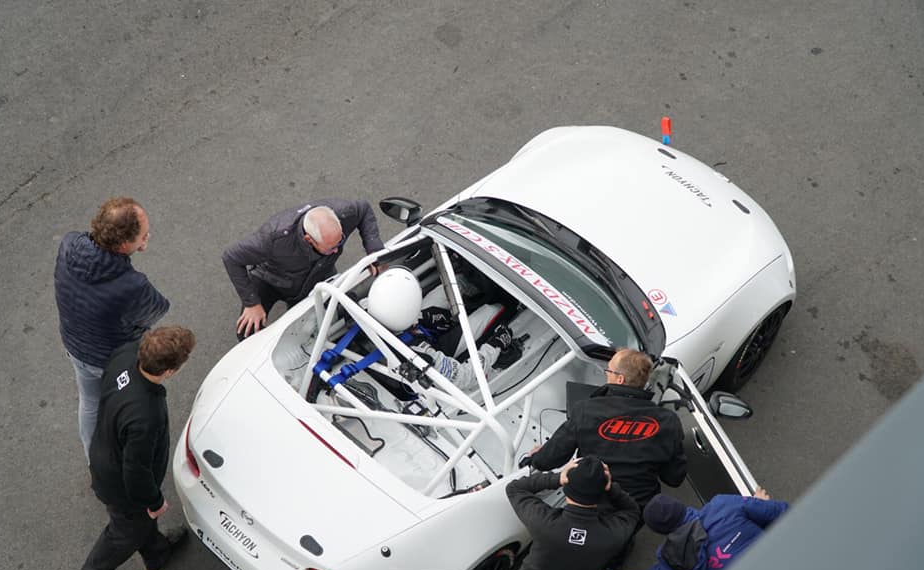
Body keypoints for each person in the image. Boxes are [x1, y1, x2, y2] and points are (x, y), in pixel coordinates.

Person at [78, 326, 196, 570]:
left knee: (142, 524)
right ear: (169, 371)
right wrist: (155, 502)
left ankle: (156, 555)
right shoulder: (146, 415)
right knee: (125, 532)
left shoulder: (126, 355)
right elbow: (135, 472)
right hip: (120, 486)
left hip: (104, 451)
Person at [54, 197, 170, 461]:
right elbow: (157, 310)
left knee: (90, 402)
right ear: (125, 244)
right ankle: (117, 463)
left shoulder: (69, 244)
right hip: (111, 359)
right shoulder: (132, 286)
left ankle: (93, 458)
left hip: (74, 346)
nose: (147, 237)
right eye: (143, 235)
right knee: (126, 409)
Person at [485, 456, 640, 570]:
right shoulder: (611, 536)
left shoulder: (544, 523)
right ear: (601, 494)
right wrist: (610, 487)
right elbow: (632, 511)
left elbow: (514, 488)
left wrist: (556, 478)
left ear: (566, 487)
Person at [530, 348, 686, 510]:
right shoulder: (668, 421)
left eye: (609, 370)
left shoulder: (586, 410)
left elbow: (548, 461)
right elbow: (674, 478)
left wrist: (536, 457)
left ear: (620, 379)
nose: (606, 374)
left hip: (591, 505)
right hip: (638, 509)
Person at [223, 199, 384, 339]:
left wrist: (374, 249)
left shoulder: (345, 213)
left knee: (338, 319)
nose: (337, 250)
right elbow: (231, 257)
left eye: (340, 241)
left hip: (318, 276)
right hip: (272, 280)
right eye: (331, 248)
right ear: (309, 240)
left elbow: (363, 209)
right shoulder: (272, 239)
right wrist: (251, 303)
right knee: (247, 331)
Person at [587, 488, 789, 570]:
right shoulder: (723, 504)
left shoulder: (675, 557)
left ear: (661, 531)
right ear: (679, 505)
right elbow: (781, 512)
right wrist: (758, 505)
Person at [366, 267, 517, 390]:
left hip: (409, 332)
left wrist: (422, 319)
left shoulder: (371, 306)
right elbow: (463, 377)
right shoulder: (422, 357)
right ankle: (513, 304)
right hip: (426, 357)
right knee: (493, 311)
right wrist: (495, 345)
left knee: (456, 284)